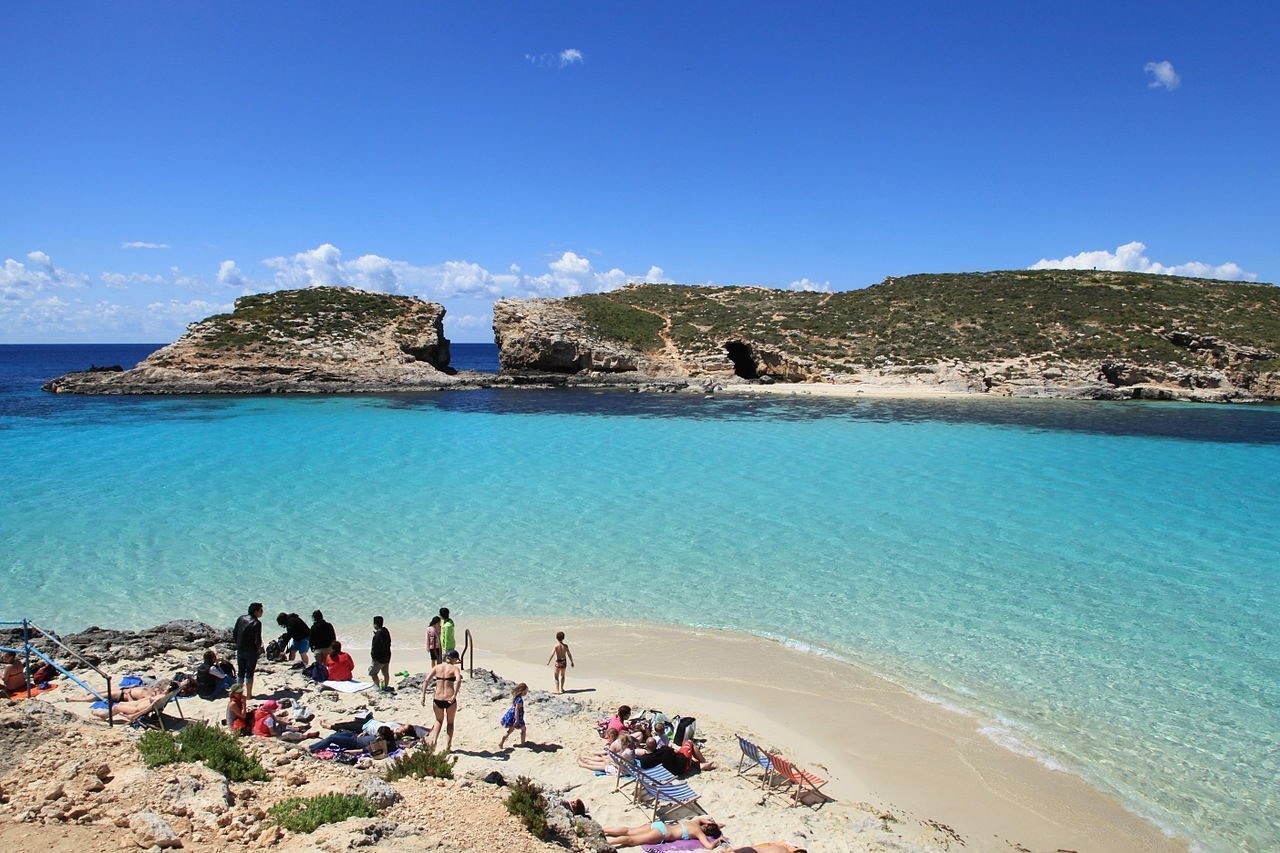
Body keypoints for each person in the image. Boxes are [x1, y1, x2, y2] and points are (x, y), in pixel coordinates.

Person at [423, 648, 462, 753]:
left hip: (437, 699)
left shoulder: (437, 667)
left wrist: (423, 696)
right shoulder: (454, 669)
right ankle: (448, 746)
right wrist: (454, 695)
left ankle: (434, 741)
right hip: (450, 699)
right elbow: (458, 680)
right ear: (454, 659)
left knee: (438, 721)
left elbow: (426, 680)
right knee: (450, 723)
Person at [603, 817, 725, 849]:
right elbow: (709, 846)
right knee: (632, 840)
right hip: (662, 833)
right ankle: (609, 843)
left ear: (706, 824)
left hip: (659, 824)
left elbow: (705, 820)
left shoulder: (695, 821)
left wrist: (717, 824)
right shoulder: (699, 833)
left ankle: (603, 830)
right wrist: (718, 840)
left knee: (629, 830)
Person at [233, 602, 264, 698]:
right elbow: (257, 640)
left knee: (240, 672)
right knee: (249, 673)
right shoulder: (257, 623)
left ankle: (238, 694)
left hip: (240, 649)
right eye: (261, 610)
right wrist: (259, 649)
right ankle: (249, 695)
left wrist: (238, 644)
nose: (262, 612)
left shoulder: (241, 618)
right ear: (255, 612)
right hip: (251, 651)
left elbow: (235, 632)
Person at [499, 682, 528, 748]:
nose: (526, 692)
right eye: (526, 691)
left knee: (511, 730)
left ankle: (502, 741)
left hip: (513, 716)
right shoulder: (520, 700)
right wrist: (517, 719)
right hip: (517, 717)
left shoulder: (516, 698)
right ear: (522, 691)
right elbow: (517, 709)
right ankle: (522, 743)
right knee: (523, 729)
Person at [369, 616, 392, 691]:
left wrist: (373, 656)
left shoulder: (378, 634)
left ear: (375, 624)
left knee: (372, 673)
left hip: (379, 658)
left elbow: (375, 648)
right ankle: (385, 686)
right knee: (385, 673)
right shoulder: (386, 631)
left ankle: (379, 687)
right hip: (387, 656)